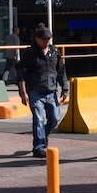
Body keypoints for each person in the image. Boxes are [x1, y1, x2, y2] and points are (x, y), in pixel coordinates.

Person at [18, 24, 68, 158]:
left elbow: (61, 71)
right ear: (37, 39)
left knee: (54, 119)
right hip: (35, 91)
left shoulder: (55, 52)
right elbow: (21, 73)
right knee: (39, 119)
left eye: (49, 39)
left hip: (51, 91)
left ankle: (43, 135)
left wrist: (65, 88)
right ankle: (38, 147)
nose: (47, 41)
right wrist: (23, 92)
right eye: (44, 39)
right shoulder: (29, 53)